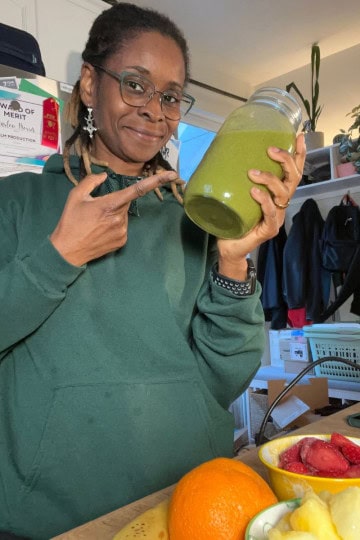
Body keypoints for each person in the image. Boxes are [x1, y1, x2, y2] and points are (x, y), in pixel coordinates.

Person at [0, 3, 306, 538]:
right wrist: (59, 256)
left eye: (169, 96)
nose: (155, 111)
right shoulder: (16, 202)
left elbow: (224, 378)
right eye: (135, 85)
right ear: (91, 85)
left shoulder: (193, 217)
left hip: (190, 508)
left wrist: (234, 257)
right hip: (50, 522)